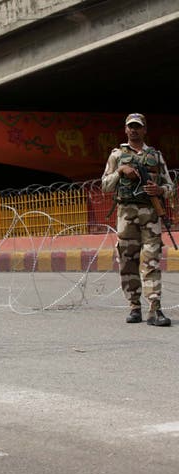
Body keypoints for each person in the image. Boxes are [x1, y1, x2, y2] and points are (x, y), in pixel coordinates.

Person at [101, 113, 173, 327]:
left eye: (138, 127)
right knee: (127, 261)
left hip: (150, 214)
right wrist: (121, 172)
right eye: (130, 126)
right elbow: (105, 185)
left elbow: (170, 187)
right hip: (126, 215)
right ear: (125, 130)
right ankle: (134, 307)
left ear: (144, 130)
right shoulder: (116, 155)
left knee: (151, 260)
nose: (134, 130)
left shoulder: (156, 156)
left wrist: (159, 189)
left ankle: (155, 308)